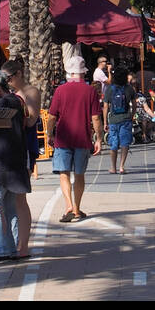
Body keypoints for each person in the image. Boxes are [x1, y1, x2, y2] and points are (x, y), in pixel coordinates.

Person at [0, 70, 31, 263]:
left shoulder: (2, 104)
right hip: (17, 159)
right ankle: (12, 248)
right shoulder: (18, 101)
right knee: (10, 206)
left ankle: (1, 249)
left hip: (2, 162)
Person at [47, 56, 103, 222]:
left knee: (64, 173)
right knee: (79, 174)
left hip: (63, 138)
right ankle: (77, 208)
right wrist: (99, 139)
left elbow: (52, 116)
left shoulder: (60, 90)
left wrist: (50, 134)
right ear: (83, 73)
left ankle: (68, 206)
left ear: (69, 73)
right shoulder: (90, 91)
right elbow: (96, 118)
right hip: (82, 138)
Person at [104, 69, 136, 173]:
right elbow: (134, 104)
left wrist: (105, 122)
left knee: (114, 144)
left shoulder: (110, 89)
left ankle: (113, 167)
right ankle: (122, 166)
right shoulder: (129, 89)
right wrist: (132, 115)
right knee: (124, 143)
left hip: (113, 120)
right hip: (126, 119)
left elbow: (106, 107)